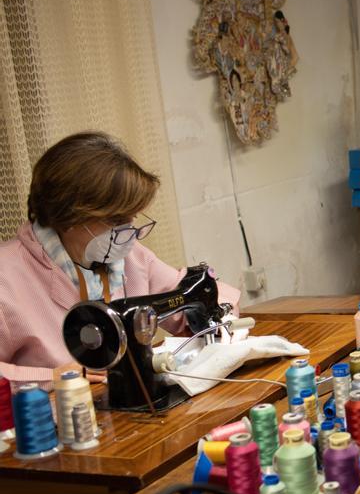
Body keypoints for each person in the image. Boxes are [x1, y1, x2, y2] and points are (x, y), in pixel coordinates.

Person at [0, 132, 240, 384]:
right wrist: (52, 377)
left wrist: (221, 314)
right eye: (116, 220)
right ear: (68, 215)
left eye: (132, 217)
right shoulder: (8, 277)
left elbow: (187, 298)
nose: (129, 231)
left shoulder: (129, 256)